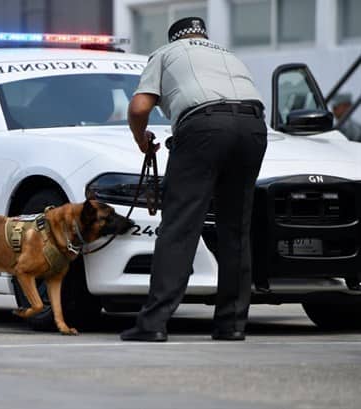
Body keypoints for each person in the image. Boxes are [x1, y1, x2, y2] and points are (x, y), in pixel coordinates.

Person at [121, 17, 267, 342]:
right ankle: (232, 324)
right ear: (204, 35)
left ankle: (153, 323)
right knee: (236, 230)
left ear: (174, 38)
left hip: (203, 127)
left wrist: (139, 137)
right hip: (254, 128)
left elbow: (139, 106)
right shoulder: (228, 55)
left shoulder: (166, 52)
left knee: (180, 226)